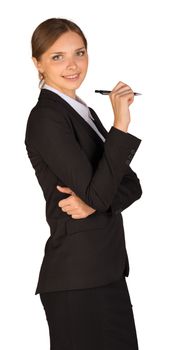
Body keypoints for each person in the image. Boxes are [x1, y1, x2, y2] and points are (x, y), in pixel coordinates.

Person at [24, 17, 142, 350]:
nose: (72, 65)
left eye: (79, 52)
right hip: (78, 278)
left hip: (104, 271)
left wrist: (93, 202)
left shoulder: (82, 111)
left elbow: (131, 185)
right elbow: (102, 190)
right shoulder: (47, 117)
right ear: (38, 63)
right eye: (57, 56)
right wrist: (121, 122)